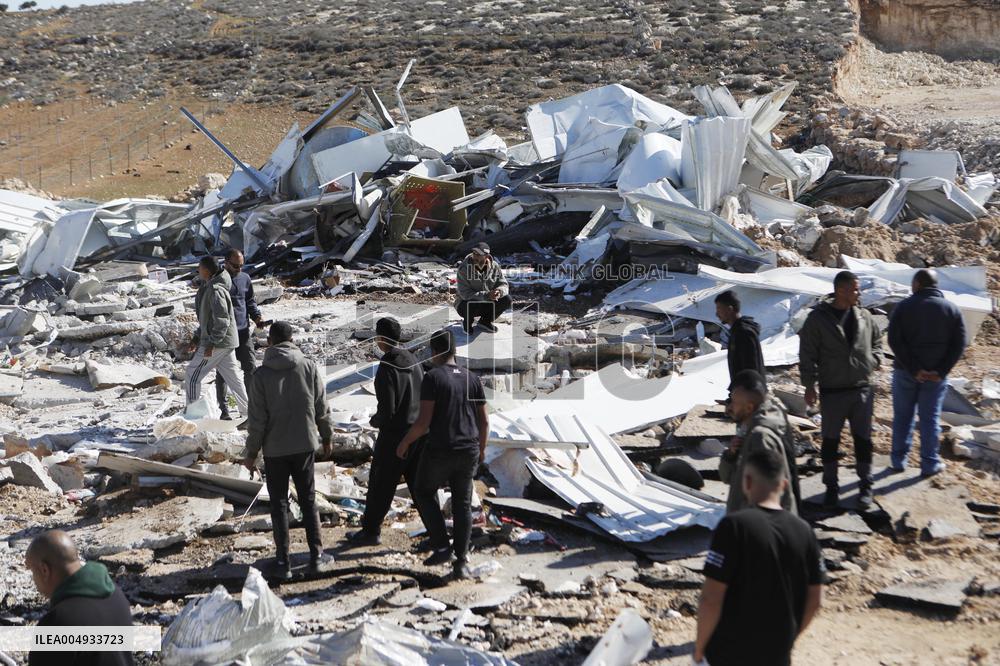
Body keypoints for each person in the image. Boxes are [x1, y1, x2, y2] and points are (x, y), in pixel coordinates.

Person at [693, 448, 823, 666]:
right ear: (784, 484)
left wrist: (699, 649)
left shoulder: (734, 526)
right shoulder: (804, 531)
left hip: (729, 653)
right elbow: (816, 600)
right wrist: (789, 639)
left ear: (747, 482)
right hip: (777, 654)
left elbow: (710, 599)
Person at [395, 329, 489, 580]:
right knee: (462, 503)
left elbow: (423, 422)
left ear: (434, 352)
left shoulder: (433, 378)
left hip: (440, 448)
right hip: (468, 448)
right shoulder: (472, 378)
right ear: (454, 351)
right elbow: (484, 422)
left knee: (423, 492)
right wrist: (481, 449)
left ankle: (441, 545)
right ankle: (461, 561)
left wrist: (405, 442)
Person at [244, 321, 334, 580]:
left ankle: (283, 561)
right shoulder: (308, 366)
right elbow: (321, 405)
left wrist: (251, 454)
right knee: (308, 499)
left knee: (279, 503)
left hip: (274, 450)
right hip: (305, 444)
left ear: (270, 342)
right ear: (292, 339)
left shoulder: (261, 375)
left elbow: (257, 421)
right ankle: (316, 557)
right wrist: (327, 435)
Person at [798, 270, 883, 510]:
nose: (858, 293)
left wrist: (873, 361)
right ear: (840, 290)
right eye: (854, 289)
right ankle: (831, 488)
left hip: (862, 388)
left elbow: (877, 343)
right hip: (833, 389)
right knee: (831, 441)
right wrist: (808, 385)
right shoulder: (818, 319)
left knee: (863, 440)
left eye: (858, 289)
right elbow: (807, 354)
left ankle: (866, 486)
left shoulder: (865, 316)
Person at [345, 317, 427, 546]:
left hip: (394, 436)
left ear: (379, 339)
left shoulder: (387, 367)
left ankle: (371, 531)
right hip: (418, 432)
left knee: (381, 484)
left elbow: (388, 408)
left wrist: (376, 420)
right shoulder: (414, 360)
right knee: (419, 486)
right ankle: (435, 529)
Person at [888, 269, 966, 477]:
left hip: (905, 373)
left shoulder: (903, 307)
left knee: (902, 417)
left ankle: (898, 460)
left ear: (917, 285)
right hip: (935, 377)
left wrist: (914, 369)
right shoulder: (951, 309)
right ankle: (930, 463)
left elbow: (894, 340)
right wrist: (941, 371)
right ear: (936, 286)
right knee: (929, 419)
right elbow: (959, 344)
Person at [26, 530, 134, 666]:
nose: (33, 579)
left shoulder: (58, 622)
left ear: (44, 570)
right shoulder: (115, 595)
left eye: (31, 570)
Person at [719, 370, 799, 515]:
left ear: (749, 407)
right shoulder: (749, 430)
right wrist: (730, 455)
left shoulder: (760, 437)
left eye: (734, 404)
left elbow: (767, 496)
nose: (729, 409)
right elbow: (729, 477)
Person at [185, 256, 249, 419]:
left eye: (200, 267)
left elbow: (222, 320)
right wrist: (197, 338)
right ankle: (249, 414)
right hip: (225, 341)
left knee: (192, 375)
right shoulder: (210, 286)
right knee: (234, 379)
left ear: (206, 270)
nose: (198, 271)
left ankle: (192, 415)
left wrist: (211, 343)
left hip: (218, 342)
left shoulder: (215, 290)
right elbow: (208, 319)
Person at [215, 249, 264, 420]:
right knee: (223, 373)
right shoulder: (218, 281)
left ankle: (251, 405)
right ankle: (224, 410)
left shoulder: (245, 278)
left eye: (241, 266)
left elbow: (249, 300)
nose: (239, 269)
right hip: (225, 336)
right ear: (226, 262)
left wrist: (257, 316)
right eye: (235, 266)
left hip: (243, 332)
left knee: (250, 368)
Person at [454, 242, 511, 334]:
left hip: (487, 301)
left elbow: (503, 284)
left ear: (486, 256)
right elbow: (465, 294)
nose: (475, 256)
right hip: (466, 303)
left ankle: (485, 321)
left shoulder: (494, 266)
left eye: (479, 254)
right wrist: (487, 295)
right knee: (469, 303)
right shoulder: (464, 268)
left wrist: (499, 292)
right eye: (474, 253)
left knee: (507, 299)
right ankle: (467, 323)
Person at [714, 290, 765, 387]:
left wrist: (742, 396)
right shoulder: (736, 331)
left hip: (750, 396)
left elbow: (750, 369)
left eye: (719, 309)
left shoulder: (744, 333)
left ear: (729, 309)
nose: (717, 314)